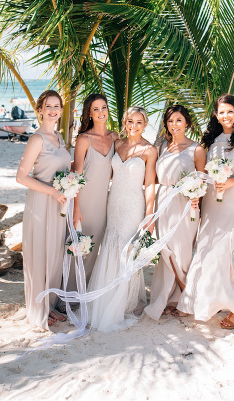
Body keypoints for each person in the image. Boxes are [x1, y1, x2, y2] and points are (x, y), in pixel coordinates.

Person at [176, 95, 234, 329]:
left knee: (223, 251)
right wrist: (196, 194)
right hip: (211, 204)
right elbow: (204, 174)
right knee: (206, 250)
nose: (225, 116)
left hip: (233, 203)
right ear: (215, 114)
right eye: (221, 112)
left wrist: (233, 181)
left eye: (230, 112)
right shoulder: (211, 141)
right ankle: (209, 301)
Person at [87, 106, 157, 332]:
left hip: (133, 205)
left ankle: (128, 300)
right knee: (112, 243)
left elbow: (149, 185)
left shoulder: (149, 150)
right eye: (130, 121)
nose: (134, 126)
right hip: (113, 202)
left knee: (127, 248)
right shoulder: (117, 144)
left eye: (138, 122)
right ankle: (109, 293)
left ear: (144, 124)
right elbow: (104, 173)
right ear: (124, 123)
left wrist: (149, 214)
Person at [15, 90, 71, 329]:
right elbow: (21, 177)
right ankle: (39, 309)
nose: (53, 110)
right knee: (40, 255)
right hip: (41, 202)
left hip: (58, 204)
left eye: (57, 106)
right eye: (48, 106)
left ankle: (49, 305)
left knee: (55, 254)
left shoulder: (60, 137)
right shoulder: (37, 139)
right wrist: (53, 192)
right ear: (40, 110)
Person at [145, 105, 206, 320]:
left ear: (187, 123)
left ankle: (188, 298)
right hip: (164, 202)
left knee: (182, 252)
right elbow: (152, 179)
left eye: (179, 120)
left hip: (185, 205)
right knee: (166, 250)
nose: (174, 125)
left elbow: (202, 179)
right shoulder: (162, 147)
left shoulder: (197, 149)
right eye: (170, 121)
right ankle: (172, 297)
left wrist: (197, 195)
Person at [63, 94, 117, 292]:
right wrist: (76, 207)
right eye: (96, 109)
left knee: (93, 248)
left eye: (104, 107)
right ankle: (69, 293)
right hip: (83, 201)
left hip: (102, 203)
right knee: (77, 246)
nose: (101, 112)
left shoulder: (115, 137)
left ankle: (84, 291)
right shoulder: (83, 139)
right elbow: (76, 175)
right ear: (89, 113)